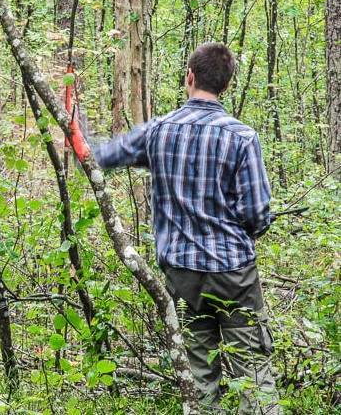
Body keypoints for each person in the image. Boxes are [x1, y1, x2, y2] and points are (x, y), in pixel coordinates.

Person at [93, 42, 281, 414]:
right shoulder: (242, 137)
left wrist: (74, 125)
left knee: (198, 376)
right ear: (225, 86)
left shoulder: (159, 131)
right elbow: (257, 214)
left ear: (190, 77)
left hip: (183, 276)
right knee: (253, 374)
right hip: (234, 276)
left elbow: (104, 155)